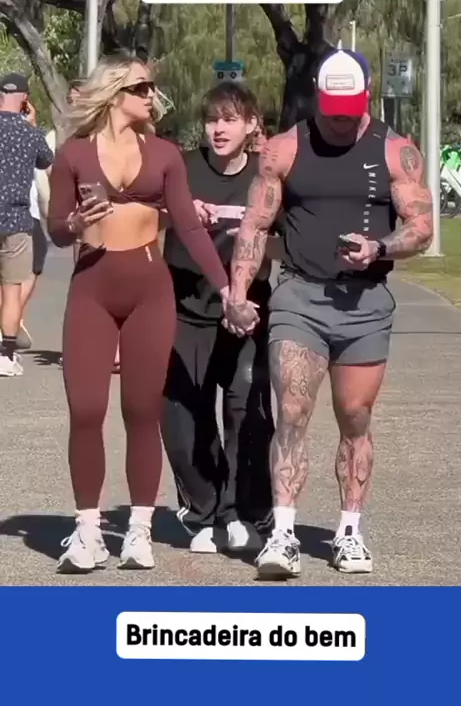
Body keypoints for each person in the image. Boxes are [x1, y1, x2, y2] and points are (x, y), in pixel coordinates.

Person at [224, 48, 433, 579]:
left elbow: (421, 227)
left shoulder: (397, 151)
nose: (341, 119)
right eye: (332, 108)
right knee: (292, 412)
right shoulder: (284, 149)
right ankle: (284, 534)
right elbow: (255, 224)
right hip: (300, 297)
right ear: (318, 96)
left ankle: (349, 532)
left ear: (366, 96)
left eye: (350, 108)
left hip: (365, 304)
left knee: (354, 416)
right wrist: (238, 291)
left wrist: (380, 248)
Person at [46, 52, 229, 574]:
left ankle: (139, 530)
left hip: (150, 291)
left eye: (151, 88)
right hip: (92, 289)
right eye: (142, 88)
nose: (152, 96)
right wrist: (76, 222)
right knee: (86, 410)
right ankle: (88, 531)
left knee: (142, 412)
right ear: (114, 95)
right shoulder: (74, 154)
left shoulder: (165, 154)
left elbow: (189, 227)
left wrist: (226, 288)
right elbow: (56, 230)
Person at [161, 82, 276, 554]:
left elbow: (282, 236)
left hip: (247, 312)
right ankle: (203, 510)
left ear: (251, 125)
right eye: (212, 120)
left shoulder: (267, 175)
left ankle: (240, 511)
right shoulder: (182, 168)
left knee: (245, 412)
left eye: (229, 119)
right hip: (186, 308)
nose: (218, 129)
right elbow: (148, 213)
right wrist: (176, 212)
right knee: (183, 417)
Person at [0, 73, 54, 376]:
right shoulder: (29, 134)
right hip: (17, 220)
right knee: (11, 290)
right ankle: (6, 356)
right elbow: (46, 161)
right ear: (24, 99)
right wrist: (32, 124)